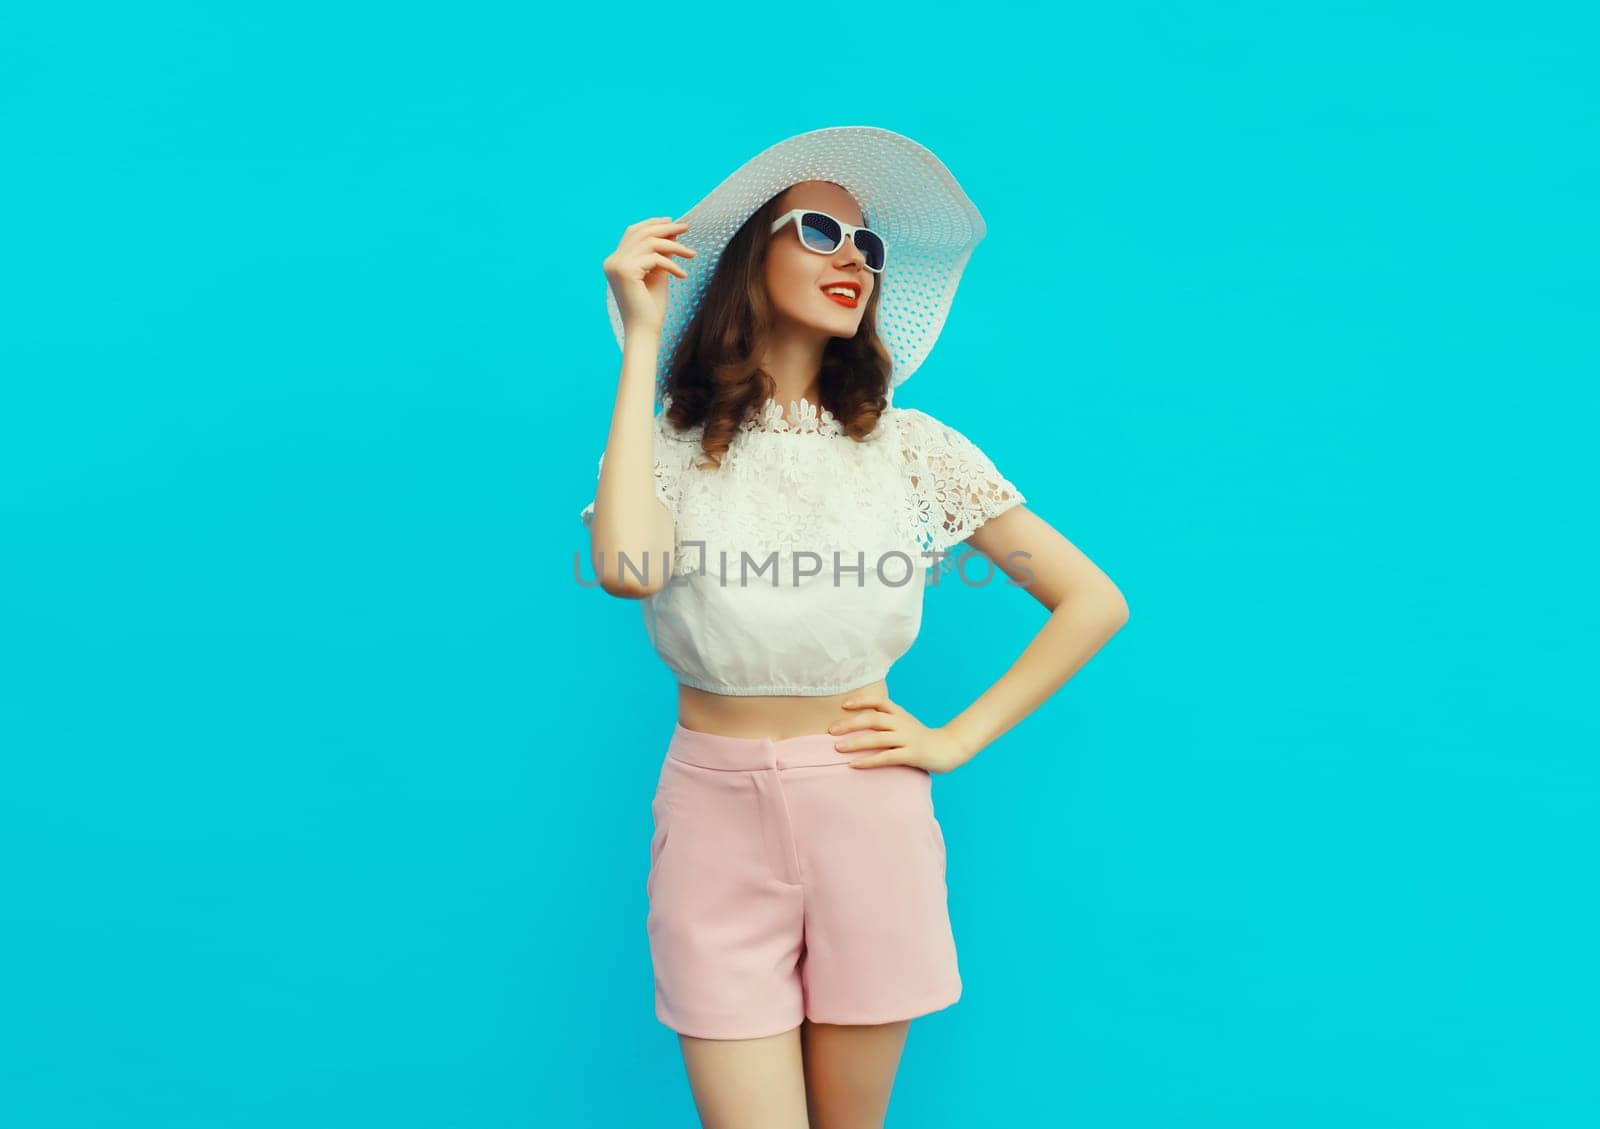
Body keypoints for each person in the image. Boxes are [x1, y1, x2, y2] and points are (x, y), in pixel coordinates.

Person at [580, 126, 1129, 1129]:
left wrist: (952, 738)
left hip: (868, 815)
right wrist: (643, 340)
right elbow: (626, 569)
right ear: (752, 255)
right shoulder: (665, 446)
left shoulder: (910, 450)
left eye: (869, 248)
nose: (854, 260)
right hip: (713, 817)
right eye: (823, 230)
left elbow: (1093, 599)